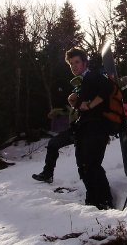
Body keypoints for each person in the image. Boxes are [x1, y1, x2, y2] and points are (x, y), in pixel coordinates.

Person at [32, 47, 114, 210]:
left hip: (97, 127)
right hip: (84, 128)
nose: (74, 66)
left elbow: (107, 88)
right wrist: (74, 102)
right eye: (71, 64)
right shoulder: (81, 82)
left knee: (92, 164)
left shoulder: (92, 76)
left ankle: (105, 201)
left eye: (77, 62)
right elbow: (81, 106)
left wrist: (90, 104)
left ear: (84, 62)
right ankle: (93, 201)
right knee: (83, 166)